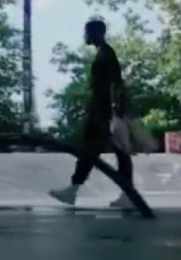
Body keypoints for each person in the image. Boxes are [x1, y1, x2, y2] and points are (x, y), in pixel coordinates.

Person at [49, 19, 136, 209]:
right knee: (106, 152)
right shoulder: (104, 53)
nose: (85, 35)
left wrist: (114, 112)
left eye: (87, 32)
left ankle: (77, 190)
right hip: (103, 110)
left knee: (94, 151)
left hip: (102, 112)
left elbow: (114, 84)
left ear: (97, 33)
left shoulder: (105, 54)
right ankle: (126, 193)